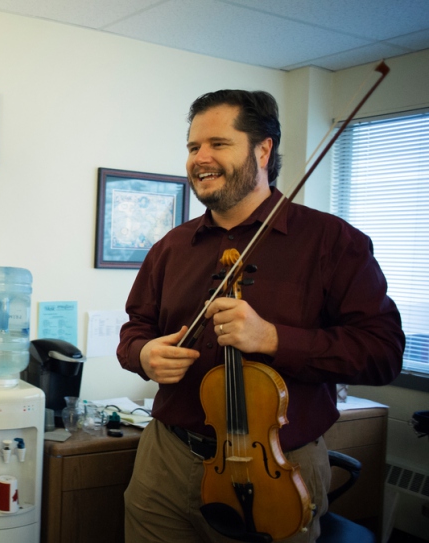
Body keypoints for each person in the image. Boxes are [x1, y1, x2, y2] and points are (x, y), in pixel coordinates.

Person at [116, 89, 404, 543]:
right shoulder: (170, 247)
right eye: (193, 147)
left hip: (277, 469)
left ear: (263, 149)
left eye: (218, 144)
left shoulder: (332, 242)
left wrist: (273, 338)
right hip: (166, 463)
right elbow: (135, 328)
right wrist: (142, 354)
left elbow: (383, 353)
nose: (200, 158)